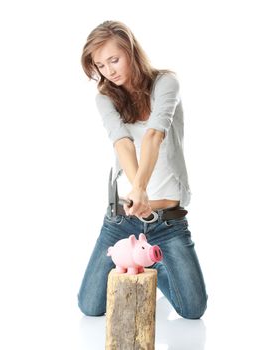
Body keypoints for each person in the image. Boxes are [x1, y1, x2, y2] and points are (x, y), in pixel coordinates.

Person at [78, 20, 207, 319]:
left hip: (168, 222)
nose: (109, 71)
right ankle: (135, 257)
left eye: (114, 59)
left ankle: (149, 260)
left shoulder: (166, 82)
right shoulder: (105, 97)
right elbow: (122, 143)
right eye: (100, 65)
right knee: (90, 307)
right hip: (122, 222)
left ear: (131, 52)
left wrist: (141, 189)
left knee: (192, 310)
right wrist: (136, 193)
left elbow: (154, 135)